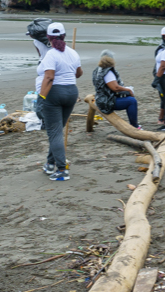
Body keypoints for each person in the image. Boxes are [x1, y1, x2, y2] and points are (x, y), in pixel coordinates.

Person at [36, 23, 82, 181]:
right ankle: (50, 163)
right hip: (71, 92)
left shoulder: (51, 54)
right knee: (57, 130)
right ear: (64, 36)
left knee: (54, 132)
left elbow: (49, 77)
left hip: (55, 93)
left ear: (49, 38)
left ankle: (62, 169)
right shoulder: (73, 53)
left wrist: (40, 98)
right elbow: (79, 73)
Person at [93, 50, 140, 128]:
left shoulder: (98, 70)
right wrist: (129, 90)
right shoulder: (107, 72)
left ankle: (134, 124)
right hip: (106, 102)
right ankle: (134, 126)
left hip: (100, 98)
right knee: (132, 101)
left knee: (129, 99)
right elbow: (115, 88)